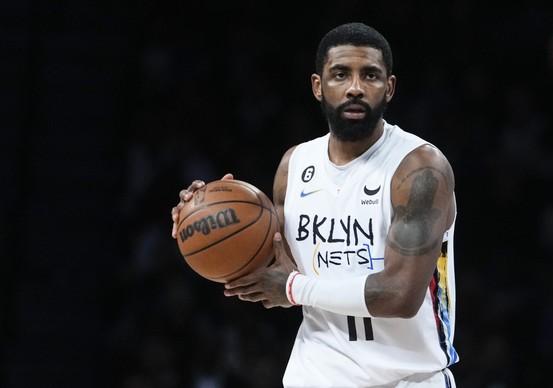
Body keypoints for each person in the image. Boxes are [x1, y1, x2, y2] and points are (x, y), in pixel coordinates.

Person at [171, 22, 459, 387]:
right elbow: (268, 267)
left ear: (389, 88)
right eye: (341, 74)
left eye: (370, 75)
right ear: (318, 86)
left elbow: (401, 296)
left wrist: (293, 289)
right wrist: (202, 217)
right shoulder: (295, 166)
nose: (355, 88)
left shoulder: (420, 169)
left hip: (409, 379)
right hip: (315, 375)